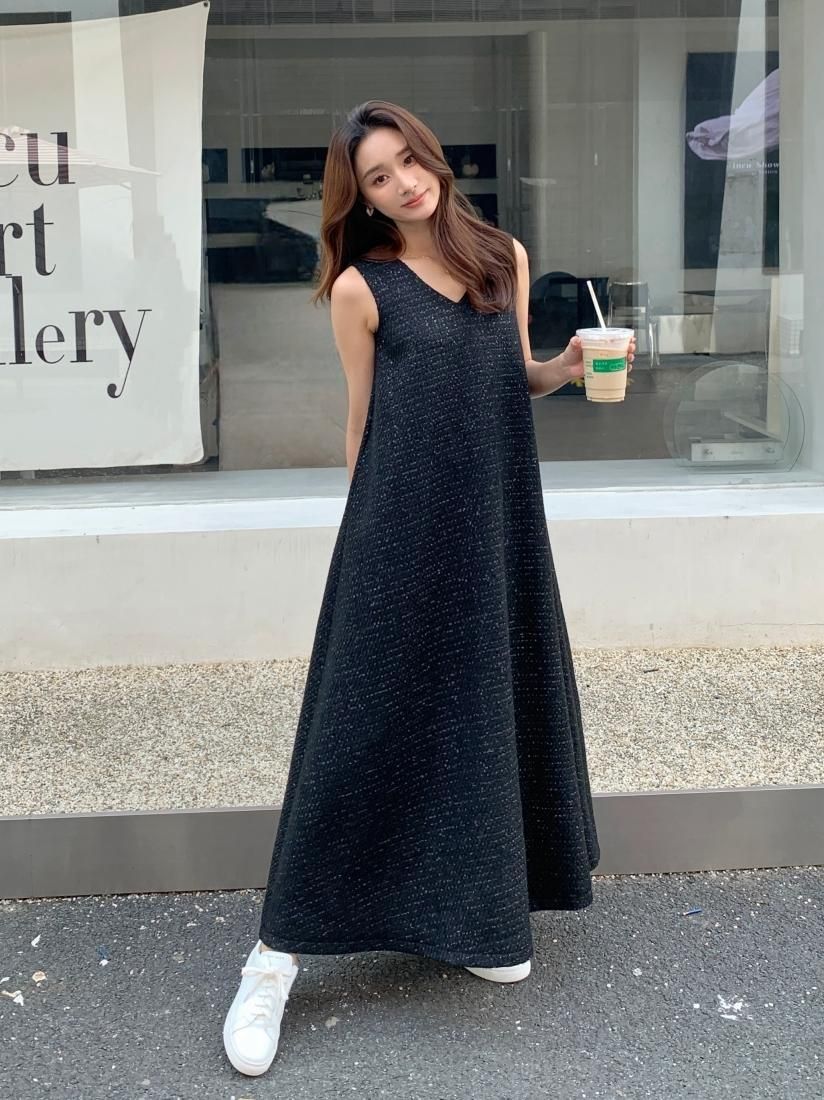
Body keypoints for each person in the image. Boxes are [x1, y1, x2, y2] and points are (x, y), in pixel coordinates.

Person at [223, 99, 635, 1078]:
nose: (403, 182)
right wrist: (362, 548)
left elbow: (511, 378)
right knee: (357, 727)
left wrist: (567, 366)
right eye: (378, 176)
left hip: (494, 526)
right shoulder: (361, 288)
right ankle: (274, 956)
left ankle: (476, 913)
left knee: (480, 713)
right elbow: (360, 425)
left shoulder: (502, 258)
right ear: (360, 198)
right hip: (397, 530)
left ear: (432, 158)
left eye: (408, 160)